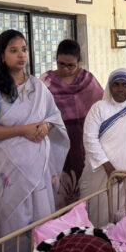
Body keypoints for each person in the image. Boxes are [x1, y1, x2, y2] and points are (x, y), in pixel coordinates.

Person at [0, 30, 68, 252]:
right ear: (2, 56)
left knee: (41, 223)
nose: (21, 55)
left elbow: (54, 116)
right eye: (14, 50)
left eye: (24, 50)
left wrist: (46, 125)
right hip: (8, 173)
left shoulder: (38, 87)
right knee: (13, 225)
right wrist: (22, 130)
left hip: (38, 171)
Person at [80, 69, 126, 227]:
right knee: (98, 215)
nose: (120, 89)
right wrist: (108, 166)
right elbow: (89, 138)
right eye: (116, 84)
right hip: (100, 174)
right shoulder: (98, 108)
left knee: (125, 221)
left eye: (125, 85)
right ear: (110, 86)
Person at [41, 39, 103, 207]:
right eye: (61, 64)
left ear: (78, 63)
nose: (66, 69)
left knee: (84, 179)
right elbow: (36, 111)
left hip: (83, 138)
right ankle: (61, 219)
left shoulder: (87, 80)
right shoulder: (45, 82)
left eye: (71, 65)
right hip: (56, 139)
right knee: (59, 181)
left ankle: (85, 216)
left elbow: (101, 107)